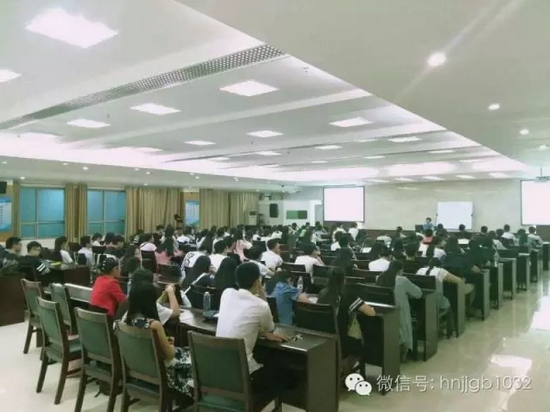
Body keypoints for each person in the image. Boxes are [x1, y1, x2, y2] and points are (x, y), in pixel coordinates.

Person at [216, 263, 288, 392]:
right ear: (257, 282)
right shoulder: (261, 305)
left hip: (219, 368)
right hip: (242, 374)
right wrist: (262, 294)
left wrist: (262, 333)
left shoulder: (227, 293)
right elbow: (270, 328)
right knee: (280, 371)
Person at [124, 282, 193, 398]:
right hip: (163, 372)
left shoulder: (126, 320)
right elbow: (170, 355)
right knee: (196, 360)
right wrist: (170, 346)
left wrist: (163, 341)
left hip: (139, 367)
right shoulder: (155, 325)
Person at [318, 267, 376, 359]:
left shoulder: (322, 294)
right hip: (342, 341)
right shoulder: (347, 296)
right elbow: (371, 313)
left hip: (324, 339)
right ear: (343, 280)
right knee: (362, 342)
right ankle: (350, 364)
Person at [376, 260, 422, 360]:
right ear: (400, 270)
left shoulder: (380, 277)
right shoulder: (402, 280)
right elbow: (418, 294)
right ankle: (405, 352)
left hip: (385, 313)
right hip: (399, 315)